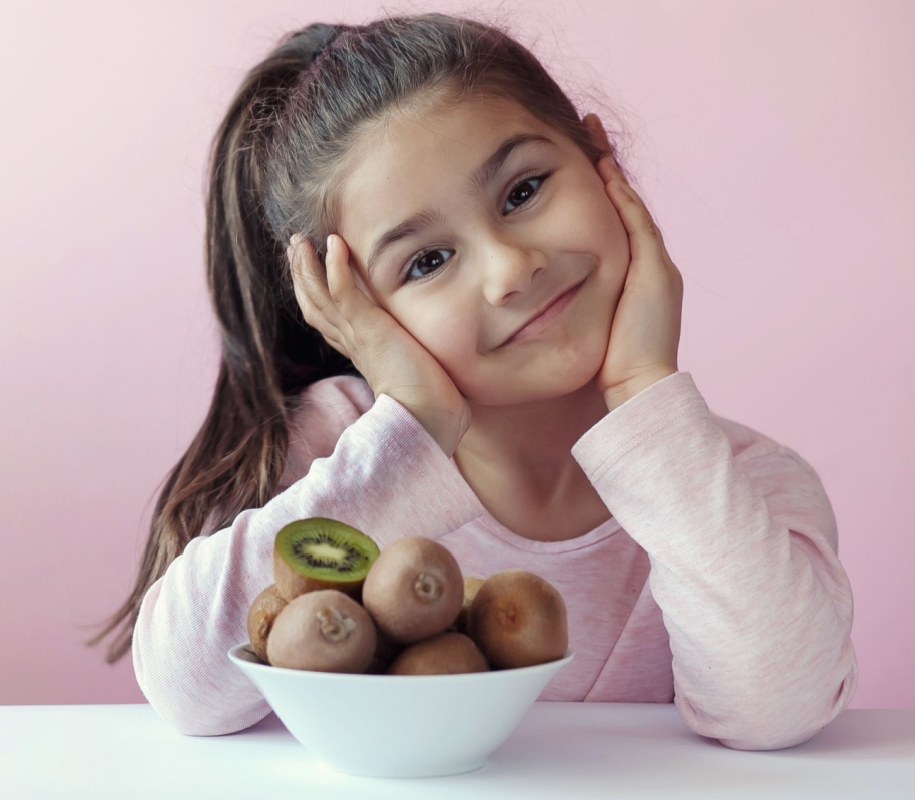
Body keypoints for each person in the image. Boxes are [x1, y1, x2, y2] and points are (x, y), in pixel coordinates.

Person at [90, 13, 857, 750]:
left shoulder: (739, 486)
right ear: (345, 311)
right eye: (426, 262)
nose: (510, 268)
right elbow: (188, 687)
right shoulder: (335, 456)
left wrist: (643, 392)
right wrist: (414, 426)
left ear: (601, 162)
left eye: (524, 191)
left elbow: (777, 710)